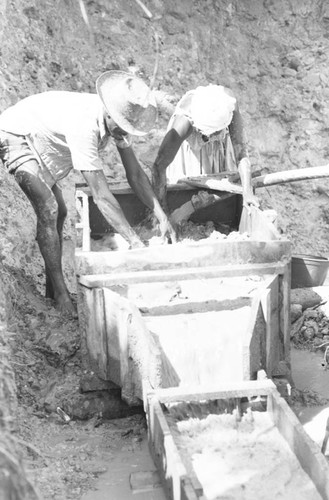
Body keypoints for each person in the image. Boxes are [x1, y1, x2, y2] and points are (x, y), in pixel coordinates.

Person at [0, 70, 175, 317]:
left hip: (42, 139)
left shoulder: (116, 126)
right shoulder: (84, 125)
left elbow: (134, 174)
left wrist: (161, 214)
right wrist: (135, 242)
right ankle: (61, 295)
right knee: (49, 208)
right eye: (123, 127)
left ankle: (53, 292)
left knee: (60, 212)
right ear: (109, 113)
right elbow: (101, 195)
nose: (124, 133)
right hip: (15, 134)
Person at [152, 83, 258, 211]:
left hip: (216, 152)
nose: (213, 138)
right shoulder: (182, 125)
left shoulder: (228, 105)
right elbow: (159, 166)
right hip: (191, 153)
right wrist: (162, 209)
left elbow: (241, 154)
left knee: (216, 199)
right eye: (210, 135)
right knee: (188, 192)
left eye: (217, 133)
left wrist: (247, 193)